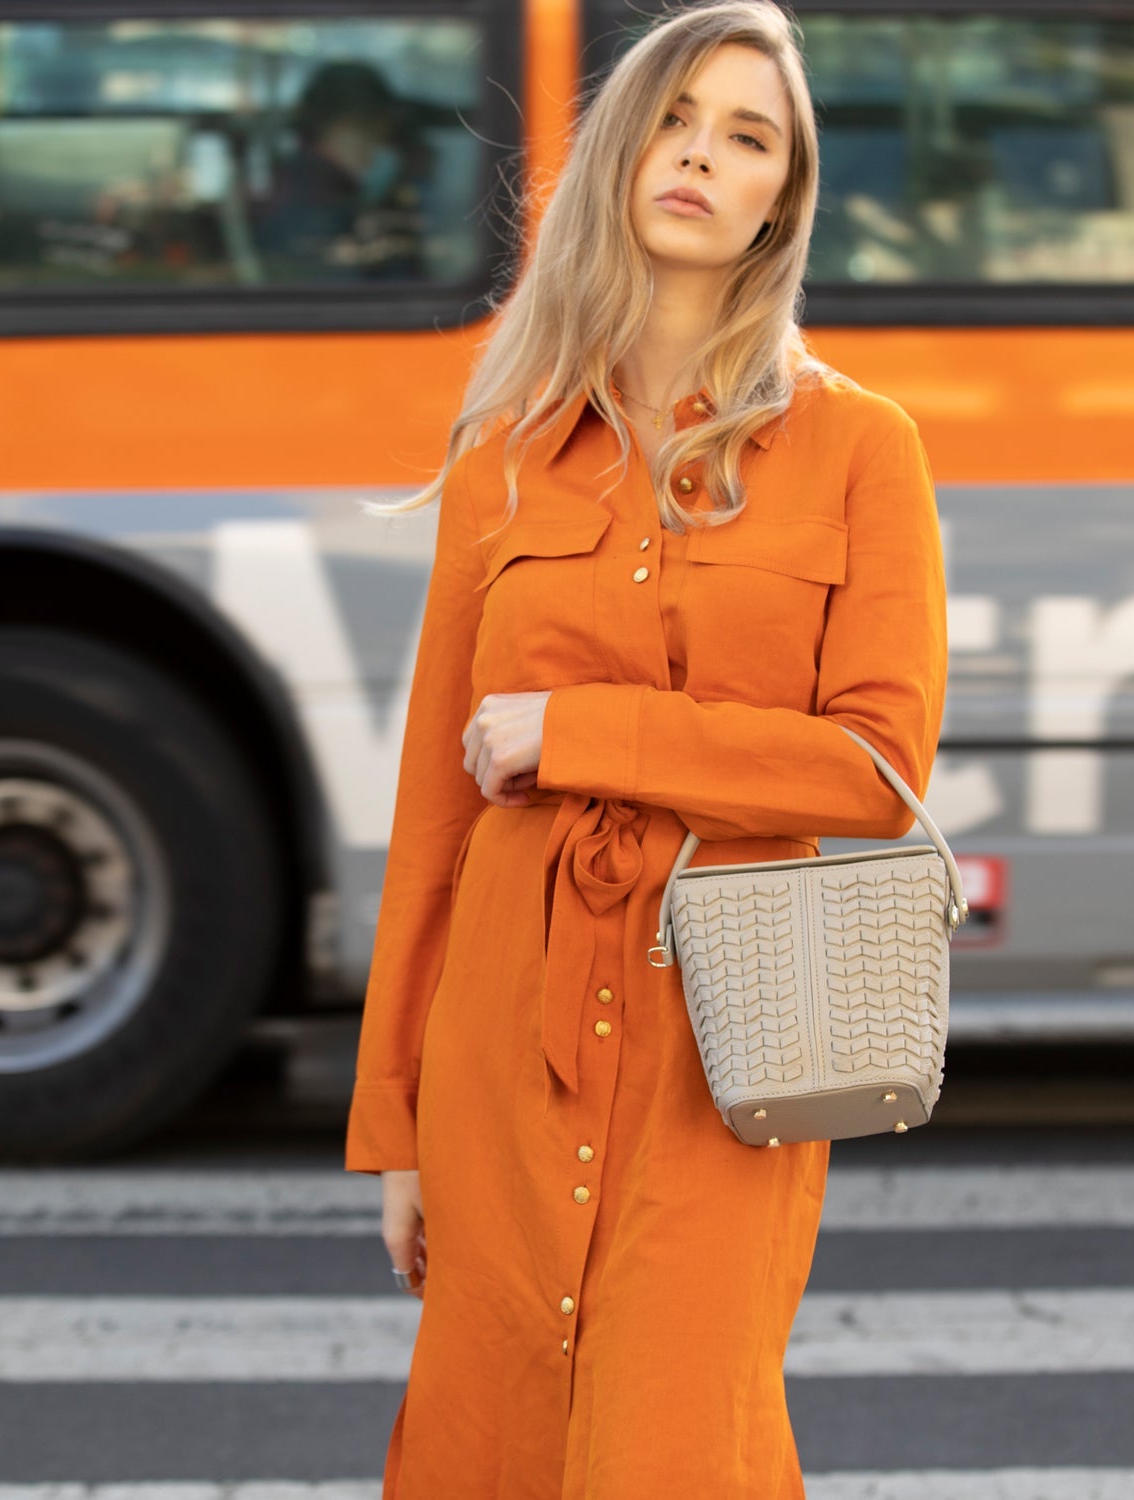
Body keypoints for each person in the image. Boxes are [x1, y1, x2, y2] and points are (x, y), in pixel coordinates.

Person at [344, 1, 948, 1493]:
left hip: (727, 1050)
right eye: (676, 118)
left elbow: (875, 774)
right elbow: (434, 811)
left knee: (680, 1437)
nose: (701, 154)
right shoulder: (506, 450)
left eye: (747, 137)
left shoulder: (861, 445)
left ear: (778, 201)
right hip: (505, 1032)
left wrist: (581, 732)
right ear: (621, 154)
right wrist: (395, 1133)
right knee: (491, 1432)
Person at [255, 59, 425, 281]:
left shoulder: (295, 183)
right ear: (352, 122)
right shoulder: (317, 201)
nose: (382, 148)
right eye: (382, 133)